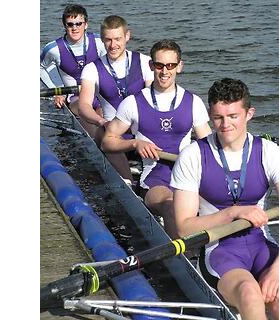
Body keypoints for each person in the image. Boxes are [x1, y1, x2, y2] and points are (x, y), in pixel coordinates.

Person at [170, 78, 279, 320]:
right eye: (218, 117)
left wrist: (278, 271)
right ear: (210, 115)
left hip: (262, 245)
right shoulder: (192, 156)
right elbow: (183, 227)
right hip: (219, 250)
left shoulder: (270, 152)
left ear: (249, 114)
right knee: (250, 293)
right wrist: (234, 212)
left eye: (233, 116)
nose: (225, 124)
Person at [101, 39, 212, 239]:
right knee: (172, 204)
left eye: (170, 65)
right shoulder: (133, 103)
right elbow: (107, 141)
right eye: (159, 65)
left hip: (187, 175)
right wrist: (134, 143)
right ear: (151, 66)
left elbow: (210, 147)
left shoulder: (194, 102)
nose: (164, 71)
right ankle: (184, 260)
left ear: (180, 67)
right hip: (155, 178)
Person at [78, 15, 154, 181]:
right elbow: (84, 105)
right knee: (104, 132)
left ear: (127, 36)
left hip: (141, 130)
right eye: (108, 40)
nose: (113, 45)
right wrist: (100, 121)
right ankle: (128, 183)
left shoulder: (144, 62)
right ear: (102, 40)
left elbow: (154, 97)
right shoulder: (92, 69)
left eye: (118, 39)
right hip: (112, 131)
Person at [40, 4, 106, 115]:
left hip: (98, 93)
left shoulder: (100, 42)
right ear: (64, 26)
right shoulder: (53, 49)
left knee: (103, 111)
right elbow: (40, 67)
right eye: (70, 24)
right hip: (74, 97)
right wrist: (56, 91)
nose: (74, 28)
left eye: (79, 24)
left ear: (86, 25)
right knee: (85, 108)